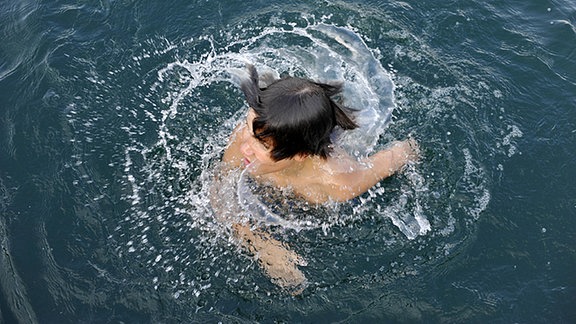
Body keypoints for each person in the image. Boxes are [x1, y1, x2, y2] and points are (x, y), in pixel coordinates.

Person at [215, 64, 419, 294]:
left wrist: (411, 151)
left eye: (261, 144)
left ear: (301, 155)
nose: (244, 147)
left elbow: (403, 152)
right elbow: (219, 181)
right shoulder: (253, 132)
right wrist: (259, 242)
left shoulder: (338, 182)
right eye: (247, 129)